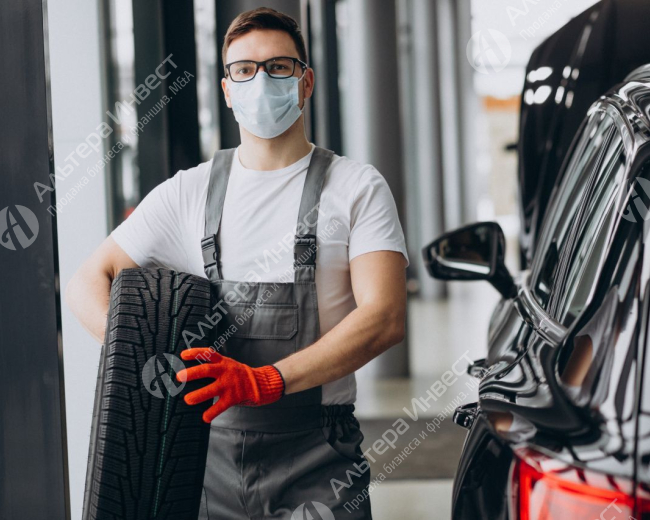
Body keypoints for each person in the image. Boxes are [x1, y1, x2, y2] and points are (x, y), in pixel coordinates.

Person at [66, 7, 408, 519]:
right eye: (245, 70)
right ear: (227, 90)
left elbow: (384, 317)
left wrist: (266, 380)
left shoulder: (356, 187)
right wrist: (146, 364)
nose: (261, 80)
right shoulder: (190, 192)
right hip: (206, 461)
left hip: (319, 455)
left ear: (306, 81)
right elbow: (88, 281)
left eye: (279, 67)